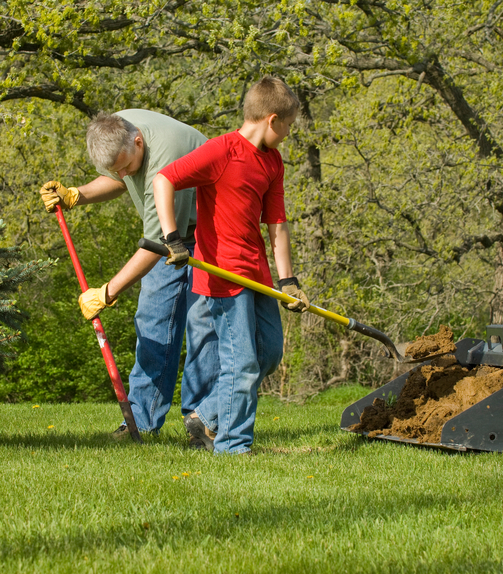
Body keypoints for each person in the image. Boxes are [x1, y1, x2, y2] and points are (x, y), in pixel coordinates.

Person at [152, 77, 310, 455]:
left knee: (268, 354)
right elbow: (164, 179)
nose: (288, 134)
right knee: (242, 363)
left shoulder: (272, 161)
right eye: (288, 126)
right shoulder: (221, 151)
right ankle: (234, 447)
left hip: (257, 273)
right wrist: (172, 237)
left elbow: (277, 223)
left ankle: (206, 417)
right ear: (273, 120)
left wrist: (287, 279)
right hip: (223, 274)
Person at [39, 110, 218, 441]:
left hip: (211, 232)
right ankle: (141, 423)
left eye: (126, 166)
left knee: (202, 327)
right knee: (152, 319)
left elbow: (155, 247)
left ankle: (202, 423)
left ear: (139, 141)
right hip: (168, 236)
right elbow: (119, 177)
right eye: (114, 169)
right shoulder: (115, 131)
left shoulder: (167, 155)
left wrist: (108, 291)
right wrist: (77, 194)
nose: (122, 174)